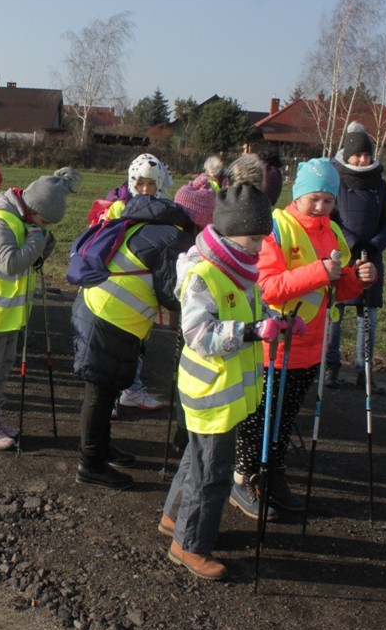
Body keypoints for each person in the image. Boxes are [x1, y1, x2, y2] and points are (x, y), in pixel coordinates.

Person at [229, 158, 376, 520]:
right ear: (298, 194)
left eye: (328, 200)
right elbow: (267, 288)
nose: (321, 207)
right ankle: (242, 479)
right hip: (274, 346)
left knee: (285, 418)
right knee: (260, 418)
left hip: (312, 346)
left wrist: (358, 278)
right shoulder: (277, 227)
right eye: (315, 198)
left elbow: (336, 288)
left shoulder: (334, 233)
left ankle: (273, 476)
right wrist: (317, 272)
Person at [160, 175, 281, 580]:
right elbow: (198, 334)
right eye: (253, 240)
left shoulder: (238, 269)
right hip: (211, 392)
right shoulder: (205, 274)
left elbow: (242, 317)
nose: (260, 248)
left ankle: (175, 520)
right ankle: (190, 547)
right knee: (212, 473)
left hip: (222, 391)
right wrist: (251, 333)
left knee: (195, 464)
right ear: (230, 235)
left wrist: (270, 323)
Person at [71, 171, 195, 489]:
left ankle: (102, 447)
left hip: (102, 309)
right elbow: (171, 294)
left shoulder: (152, 224)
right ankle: (91, 464)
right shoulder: (175, 238)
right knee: (99, 392)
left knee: (107, 388)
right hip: (109, 317)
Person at [0, 168, 80, 449]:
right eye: (43, 220)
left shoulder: (22, 221)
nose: (44, 226)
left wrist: (38, 244)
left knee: (3, 366)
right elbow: (11, 263)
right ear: (32, 208)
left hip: (7, 313)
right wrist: (36, 241)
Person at [326, 121, 386, 391]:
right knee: (336, 313)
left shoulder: (379, 185)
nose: (362, 159)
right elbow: (331, 217)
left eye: (366, 154)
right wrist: (352, 243)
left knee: (368, 318)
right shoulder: (336, 181)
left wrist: (375, 245)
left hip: (372, 259)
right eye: (357, 154)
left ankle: (363, 371)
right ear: (347, 154)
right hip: (343, 256)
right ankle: (331, 367)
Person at [102, 154, 176, 413]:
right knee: (114, 348)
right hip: (120, 285)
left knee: (138, 344)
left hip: (146, 288)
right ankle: (110, 397)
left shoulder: (164, 210)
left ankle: (132, 390)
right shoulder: (118, 208)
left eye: (151, 184)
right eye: (141, 183)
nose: (145, 190)